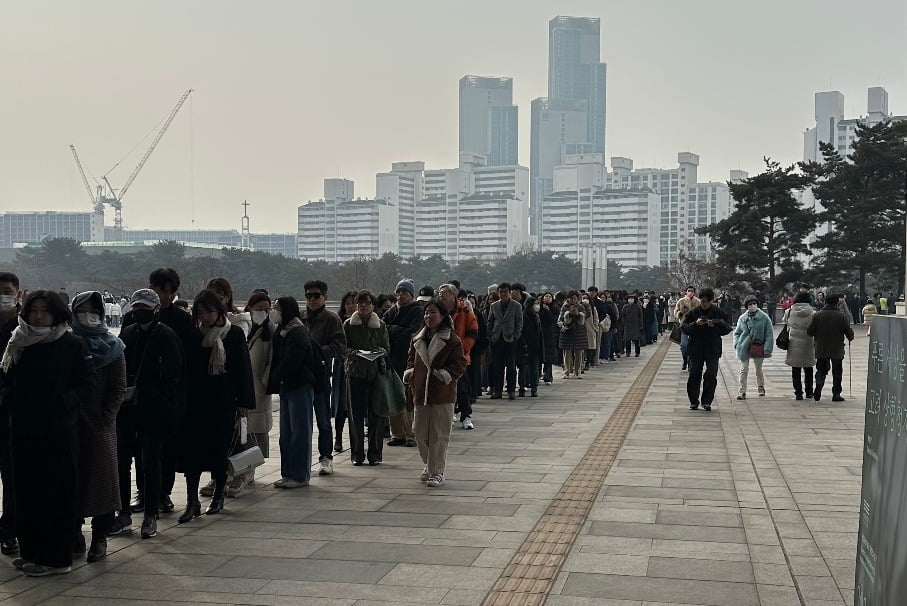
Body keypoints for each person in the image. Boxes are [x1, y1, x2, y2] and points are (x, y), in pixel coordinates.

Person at [1, 291, 93, 576]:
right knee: (26, 492)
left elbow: (86, 384)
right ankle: (32, 553)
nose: (39, 316)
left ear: (57, 314)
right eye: (34, 311)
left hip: (58, 432)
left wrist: (62, 402)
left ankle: (57, 558)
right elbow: (6, 378)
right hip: (23, 429)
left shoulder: (72, 343)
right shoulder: (19, 342)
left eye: (45, 311)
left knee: (56, 493)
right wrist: (10, 398)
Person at [121, 268, 194, 516]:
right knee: (141, 450)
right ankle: (144, 493)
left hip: (167, 396)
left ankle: (163, 493)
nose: (160, 294)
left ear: (173, 293)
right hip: (136, 397)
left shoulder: (182, 321)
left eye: (165, 290)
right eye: (156, 288)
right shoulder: (131, 320)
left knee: (168, 449)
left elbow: (186, 363)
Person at [113, 288, 184, 540]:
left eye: (145, 307)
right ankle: (122, 513)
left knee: (151, 462)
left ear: (155, 309)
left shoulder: (166, 336)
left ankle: (150, 514)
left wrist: (149, 392)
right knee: (122, 461)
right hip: (127, 409)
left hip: (153, 411)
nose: (140, 312)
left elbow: (174, 375)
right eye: (137, 308)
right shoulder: (128, 334)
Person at [178, 290, 254, 523]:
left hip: (222, 402)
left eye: (210, 312)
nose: (206, 318)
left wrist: (243, 403)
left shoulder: (233, 335)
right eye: (201, 313)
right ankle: (192, 500)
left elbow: (243, 370)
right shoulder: (193, 335)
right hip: (195, 402)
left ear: (219, 311)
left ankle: (218, 494)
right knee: (191, 453)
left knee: (219, 451)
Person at [70, 291, 127, 561]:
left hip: (102, 426)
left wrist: (106, 418)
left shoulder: (113, 347)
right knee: (73, 480)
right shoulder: (68, 344)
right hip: (71, 424)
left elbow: (118, 388)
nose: (88, 316)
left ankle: (100, 537)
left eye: (93, 311)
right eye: (82, 311)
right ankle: (75, 534)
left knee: (103, 483)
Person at [404, 299, 467, 488]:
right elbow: (410, 360)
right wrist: (410, 374)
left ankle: (437, 471)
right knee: (419, 432)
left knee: (439, 435)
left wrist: (444, 375)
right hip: (421, 391)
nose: (428, 316)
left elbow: (460, 364)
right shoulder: (417, 339)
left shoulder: (452, 340)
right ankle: (429, 464)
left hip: (442, 393)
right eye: (426, 313)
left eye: (433, 313)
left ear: (442, 316)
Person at [269, 296, 322, 488]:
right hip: (287, 386)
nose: (274, 311)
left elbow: (293, 361)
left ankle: (300, 475)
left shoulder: (296, 331)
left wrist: (276, 376)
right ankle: (288, 472)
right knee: (287, 433)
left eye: (277, 308)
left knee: (300, 432)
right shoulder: (283, 330)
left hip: (299, 385)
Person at [230, 291, 274, 497]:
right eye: (259, 309)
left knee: (256, 432)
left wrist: (265, 382)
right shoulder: (242, 328)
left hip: (259, 389)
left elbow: (271, 363)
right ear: (249, 308)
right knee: (241, 433)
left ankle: (249, 471)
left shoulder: (270, 333)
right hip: (243, 388)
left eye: (267, 309)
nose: (263, 313)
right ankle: (239, 471)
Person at [301, 280, 347, 476]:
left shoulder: (331, 319)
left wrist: (318, 353)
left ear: (325, 297)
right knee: (301, 422)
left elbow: (340, 346)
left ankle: (326, 457)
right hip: (301, 376)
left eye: (316, 295)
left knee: (323, 420)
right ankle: (300, 460)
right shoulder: (299, 317)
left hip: (320, 375)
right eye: (308, 295)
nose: (312, 299)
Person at [343, 290, 391, 466]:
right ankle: (357, 454)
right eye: (360, 303)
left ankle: (375, 454)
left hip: (376, 372)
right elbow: (343, 347)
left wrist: (379, 352)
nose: (363, 306)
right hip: (355, 372)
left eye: (367, 303)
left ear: (372, 306)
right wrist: (354, 353)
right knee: (355, 415)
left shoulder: (381, 325)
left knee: (377, 413)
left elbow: (387, 347)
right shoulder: (348, 325)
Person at [382, 279, 423, 447]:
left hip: (408, 358)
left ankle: (411, 434)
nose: (400, 296)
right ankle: (397, 434)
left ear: (411, 294)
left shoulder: (418, 311)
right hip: (392, 358)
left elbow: (412, 332)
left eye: (404, 292)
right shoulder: (391, 311)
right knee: (393, 396)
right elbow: (382, 327)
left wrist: (395, 330)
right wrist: (398, 330)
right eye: (398, 292)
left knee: (409, 397)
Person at [0, 272, 21, 557]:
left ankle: (9, 530)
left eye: (6, 291)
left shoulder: (26, 326)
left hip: (14, 413)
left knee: (12, 476)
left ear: (17, 293)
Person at [683, 288, 731, 411]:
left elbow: (727, 328)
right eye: (702, 301)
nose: (703, 304)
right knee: (694, 375)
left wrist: (714, 325)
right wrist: (696, 324)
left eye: (705, 301)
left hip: (712, 348)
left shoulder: (718, 312)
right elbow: (684, 327)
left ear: (710, 301)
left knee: (711, 375)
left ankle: (707, 401)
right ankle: (694, 401)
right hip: (696, 347)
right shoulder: (693, 313)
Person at [437, 284, 478, 425]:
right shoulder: (437, 310)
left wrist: (463, 349)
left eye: (445, 293)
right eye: (440, 293)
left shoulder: (465, 311)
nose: (442, 295)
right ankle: (451, 412)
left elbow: (473, 331)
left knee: (463, 387)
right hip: (442, 355)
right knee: (446, 386)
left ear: (454, 295)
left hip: (460, 355)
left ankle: (466, 415)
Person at [807, 294, 854, 402]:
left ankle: (819, 385)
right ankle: (836, 393)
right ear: (837, 302)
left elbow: (809, 332)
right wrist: (851, 336)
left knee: (821, 369)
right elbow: (849, 333)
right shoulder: (841, 316)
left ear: (825, 302)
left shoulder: (818, 315)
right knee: (837, 371)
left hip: (821, 347)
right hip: (837, 348)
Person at [733, 295, 774, 399]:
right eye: (750, 304)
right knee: (744, 369)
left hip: (758, 345)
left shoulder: (764, 317)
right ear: (747, 306)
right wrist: (737, 343)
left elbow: (769, 334)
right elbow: (737, 332)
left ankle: (761, 387)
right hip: (744, 345)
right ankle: (742, 391)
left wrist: (767, 348)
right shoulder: (743, 318)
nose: (752, 306)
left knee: (758, 369)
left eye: (754, 304)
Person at [487, 283, 524, 398]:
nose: (503, 294)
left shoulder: (516, 306)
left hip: (510, 338)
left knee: (511, 367)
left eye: (505, 291)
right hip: (497, 339)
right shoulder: (494, 306)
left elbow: (519, 322)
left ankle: (511, 390)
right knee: (497, 367)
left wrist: (516, 335)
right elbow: (490, 322)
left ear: (510, 292)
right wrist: (491, 335)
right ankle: (498, 391)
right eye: (501, 292)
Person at [782, 293, 816, 400]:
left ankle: (798, 393)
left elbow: (786, 323)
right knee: (808, 369)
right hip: (808, 342)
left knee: (795, 369)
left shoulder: (789, 312)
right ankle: (809, 392)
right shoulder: (813, 313)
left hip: (793, 342)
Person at [558, 291, 587, 379]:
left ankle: (578, 372)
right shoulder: (564, 307)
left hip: (579, 332)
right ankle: (566, 371)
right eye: (571, 298)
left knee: (579, 353)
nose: (573, 300)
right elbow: (561, 319)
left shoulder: (581, 307)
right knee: (567, 353)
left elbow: (583, 319)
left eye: (575, 298)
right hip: (567, 332)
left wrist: (578, 314)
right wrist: (569, 314)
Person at [518, 294, 542, 397]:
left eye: (537, 304)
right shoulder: (523, 316)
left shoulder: (537, 316)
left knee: (534, 368)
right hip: (525, 346)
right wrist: (523, 344)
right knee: (523, 368)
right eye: (535, 304)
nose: (537, 306)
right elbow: (521, 331)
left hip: (536, 346)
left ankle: (534, 387)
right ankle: (522, 387)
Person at [674, 287, 700, 370]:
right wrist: (681, 312)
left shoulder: (698, 302)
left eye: (692, 291)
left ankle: (691, 362)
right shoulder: (681, 301)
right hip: (684, 326)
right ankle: (685, 359)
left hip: (696, 326)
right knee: (684, 345)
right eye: (689, 291)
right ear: (686, 292)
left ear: (694, 293)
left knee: (694, 346)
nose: (690, 292)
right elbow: (676, 312)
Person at [538, 293, 558, 384]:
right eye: (546, 296)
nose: (548, 298)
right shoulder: (538, 308)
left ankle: (548, 376)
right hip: (539, 333)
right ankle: (537, 375)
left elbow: (553, 319)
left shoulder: (554, 308)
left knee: (549, 357)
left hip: (549, 334)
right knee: (538, 356)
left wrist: (548, 310)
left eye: (549, 296)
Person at [621, 293, 644, 358]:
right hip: (627, 325)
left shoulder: (637, 307)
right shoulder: (625, 306)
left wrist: (641, 325)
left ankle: (637, 352)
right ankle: (628, 352)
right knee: (627, 340)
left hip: (635, 325)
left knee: (636, 340)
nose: (630, 300)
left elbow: (640, 316)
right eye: (629, 298)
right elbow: (622, 315)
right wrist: (623, 323)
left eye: (632, 298)